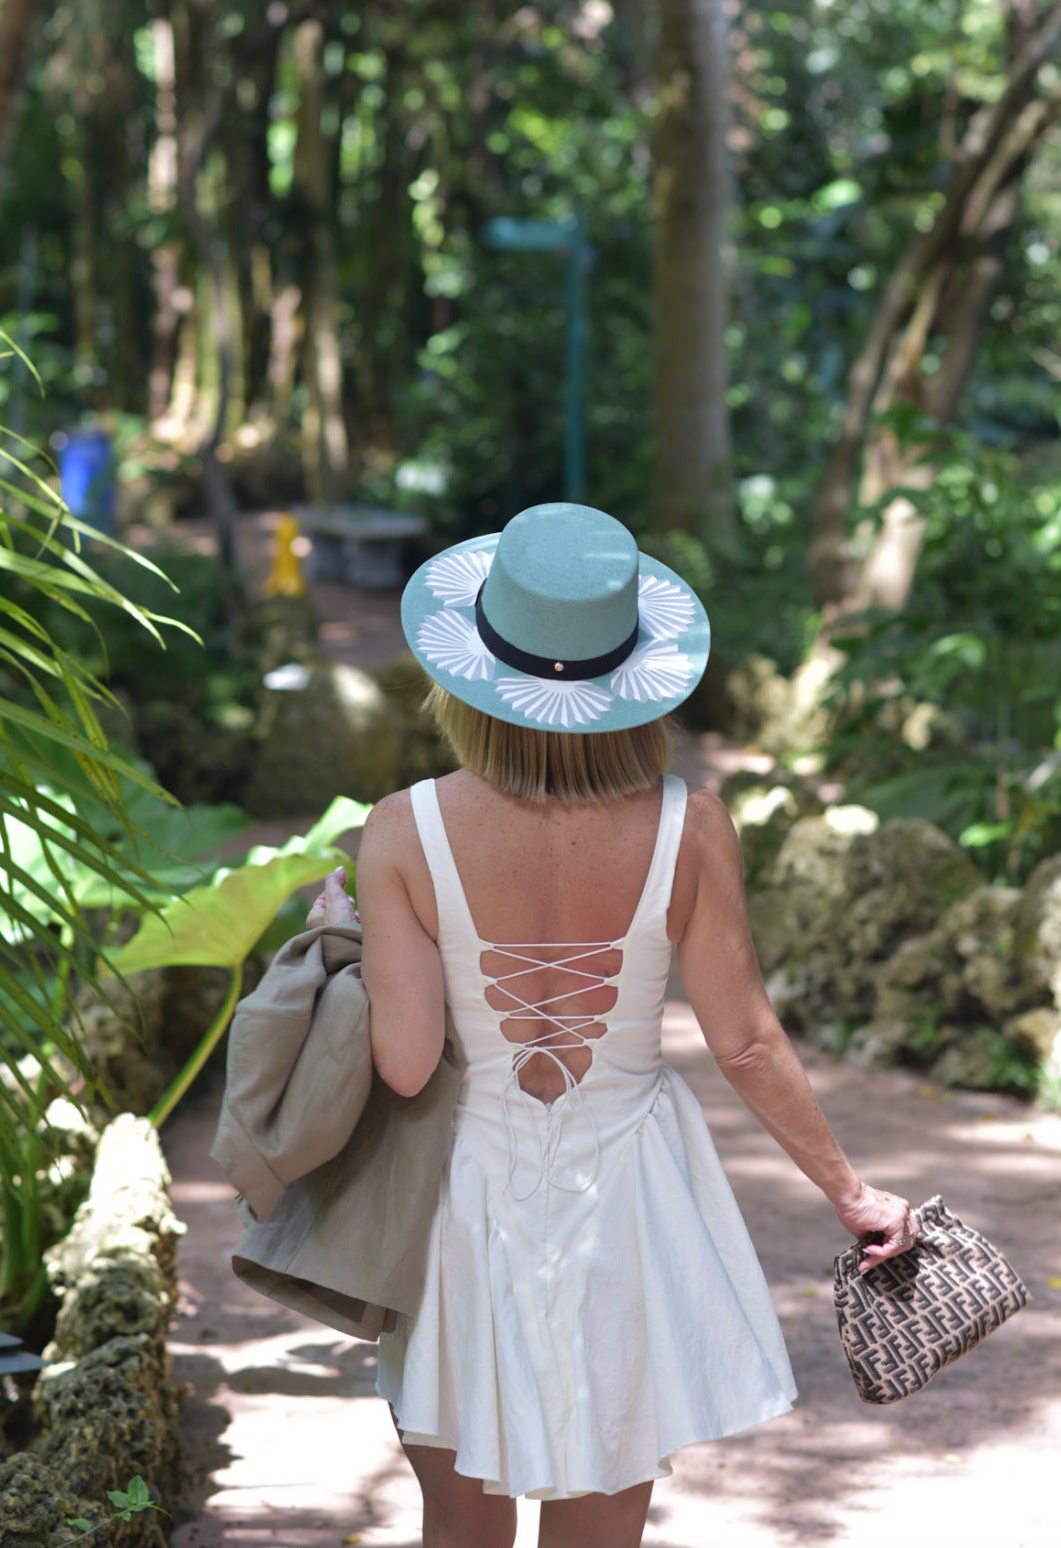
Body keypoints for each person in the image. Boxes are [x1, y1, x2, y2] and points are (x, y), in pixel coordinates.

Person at [355, 502, 916, 1548]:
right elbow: (744, 1040)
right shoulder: (690, 825)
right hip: (628, 1199)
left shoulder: (403, 830)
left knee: (459, 1522)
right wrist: (852, 1192)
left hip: (459, 1202)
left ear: (469, 675)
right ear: (632, 679)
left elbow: (408, 1061)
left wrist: (356, 947)